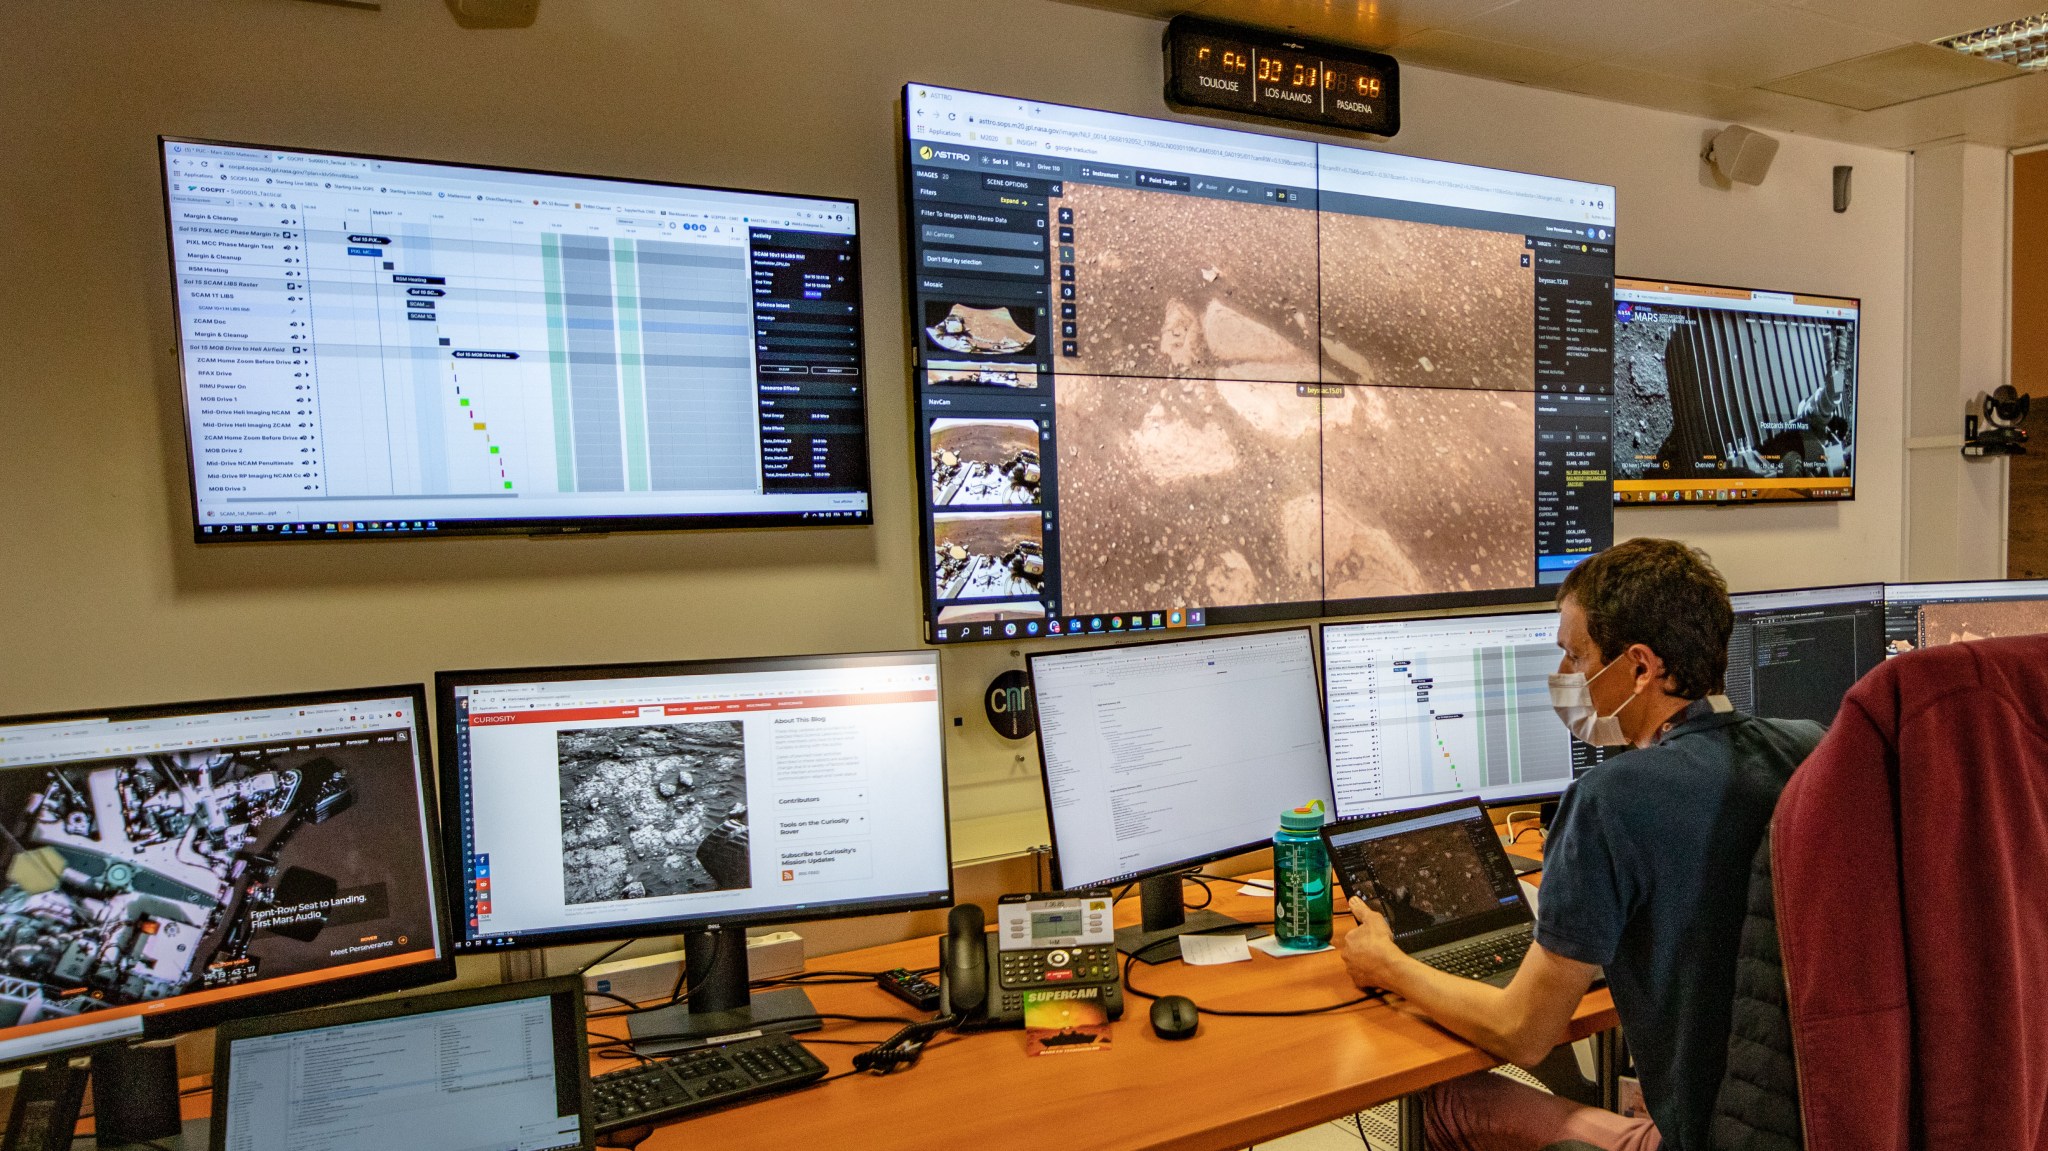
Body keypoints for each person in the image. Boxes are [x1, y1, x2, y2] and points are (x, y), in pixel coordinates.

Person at [1338, 538, 1825, 1151]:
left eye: (1575, 656)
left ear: (1641, 668)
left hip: (1706, 1138)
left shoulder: (1611, 799)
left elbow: (1523, 1034)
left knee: (1449, 1104)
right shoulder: (1811, 750)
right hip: (1804, 1126)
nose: (1565, 677)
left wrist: (1390, 965)